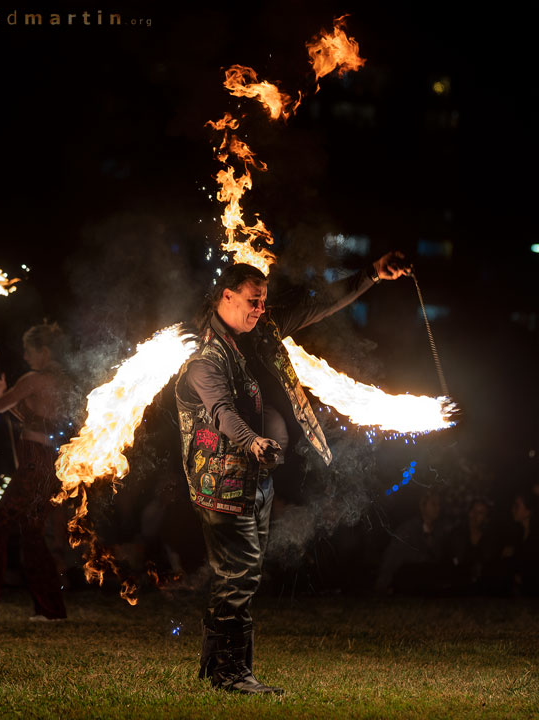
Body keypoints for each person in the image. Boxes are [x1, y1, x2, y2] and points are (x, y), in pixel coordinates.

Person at [175, 252, 410, 694]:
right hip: (222, 479)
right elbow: (222, 411)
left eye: (263, 302)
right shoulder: (205, 356)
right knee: (239, 573)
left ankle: (216, 667)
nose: (260, 310)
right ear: (226, 297)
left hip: (256, 478)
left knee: (243, 572)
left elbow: (318, 303)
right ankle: (232, 673)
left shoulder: (260, 327)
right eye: (251, 301)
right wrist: (253, 441)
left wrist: (371, 275)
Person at [0, 322, 75, 622]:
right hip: (49, 463)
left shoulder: (33, 379)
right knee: (32, 534)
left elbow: (0, 407)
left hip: (34, 463)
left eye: (29, 350)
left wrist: (1, 391)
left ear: (44, 351)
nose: (25, 356)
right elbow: (32, 417)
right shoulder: (62, 383)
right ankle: (51, 611)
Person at [374, 489, 448, 595]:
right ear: (422, 506)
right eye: (433, 504)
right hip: (408, 584)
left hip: (429, 586)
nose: (438, 508)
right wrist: (383, 584)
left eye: (439, 505)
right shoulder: (408, 530)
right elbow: (392, 557)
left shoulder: (439, 531)